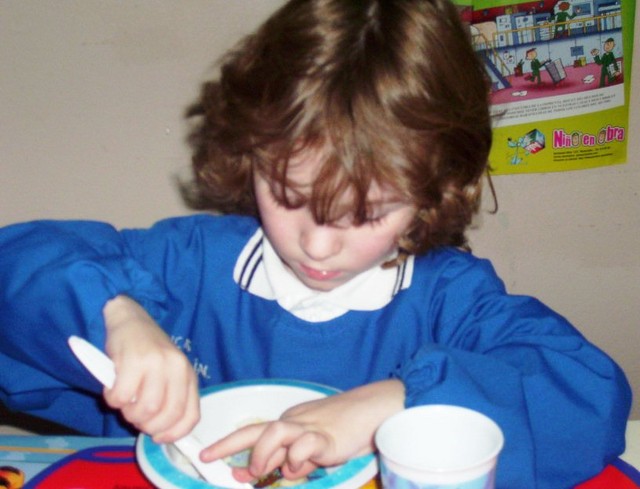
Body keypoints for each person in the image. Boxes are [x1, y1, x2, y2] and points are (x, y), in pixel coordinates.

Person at [0, 1, 631, 488]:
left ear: (436, 189)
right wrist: (114, 313)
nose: (318, 245)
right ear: (248, 156)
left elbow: (589, 394)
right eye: (288, 195)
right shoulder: (186, 266)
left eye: (368, 212)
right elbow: (19, 272)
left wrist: (397, 403)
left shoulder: (449, 300)